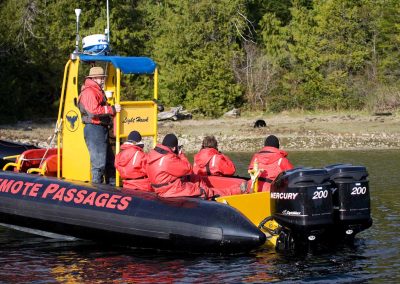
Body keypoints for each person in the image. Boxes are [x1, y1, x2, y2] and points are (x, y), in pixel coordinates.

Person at [147, 134, 247, 199]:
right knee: (205, 191)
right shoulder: (217, 158)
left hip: (163, 187)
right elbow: (231, 170)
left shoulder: (153, 154)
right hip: (170, 190)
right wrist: (181, 154)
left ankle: (210, 190)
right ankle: (237, 191)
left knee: (196, 179)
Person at [78, 66, 121, 184]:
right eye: (101, 78)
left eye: (103, 78)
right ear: (94, 78)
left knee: (108, 161)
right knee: (98, 164)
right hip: (94, 128)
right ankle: (96, 189)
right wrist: (111, 109)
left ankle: (111, 187)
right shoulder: (89, 91)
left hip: (100, 128)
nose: (103, 80)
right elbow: (93, 111)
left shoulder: (96, 90)